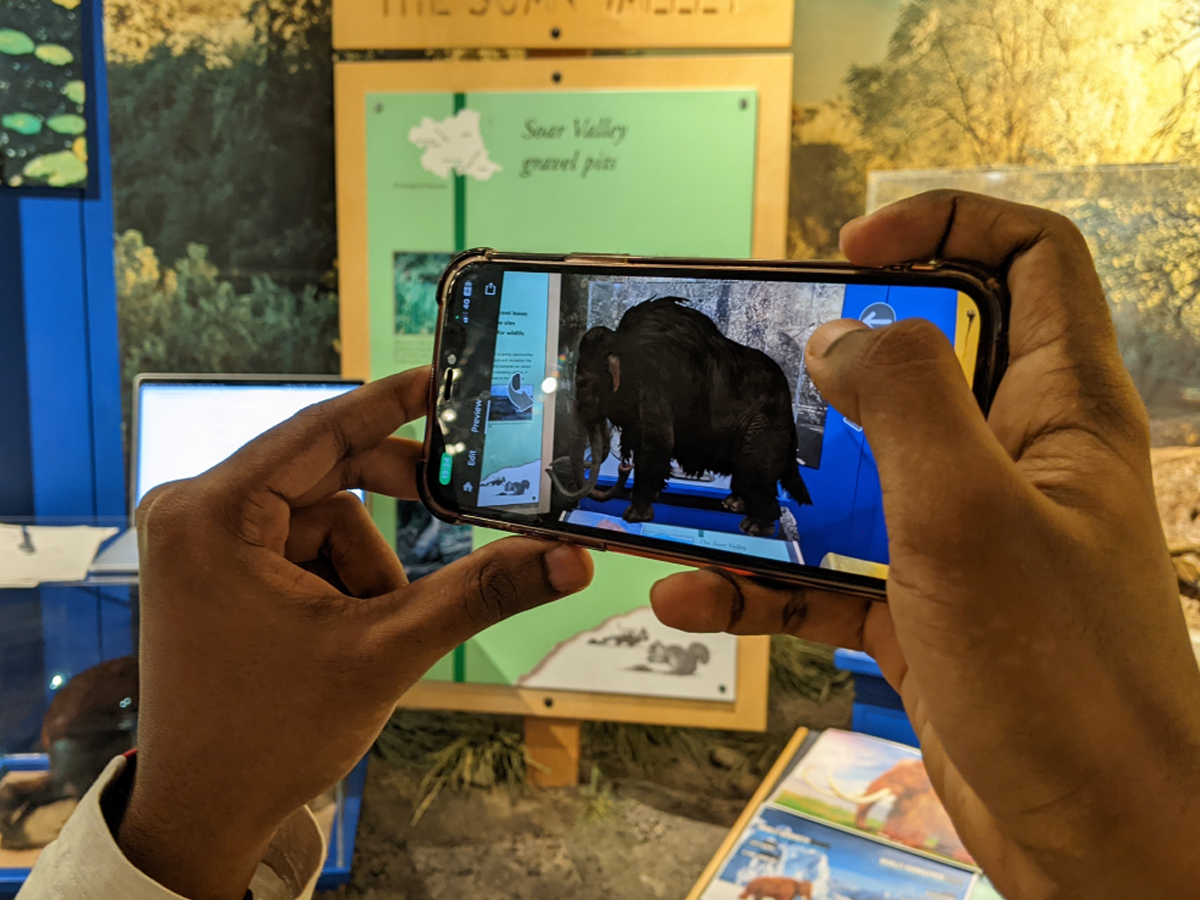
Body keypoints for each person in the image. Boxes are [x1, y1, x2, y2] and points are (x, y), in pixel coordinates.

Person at [16, 191, 1200, 900]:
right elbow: (640, 439)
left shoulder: (668, 372)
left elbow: (665, 436)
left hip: (735, 420)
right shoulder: (634, 373)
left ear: (611, 374)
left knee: (746, 479)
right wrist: (1123, 832)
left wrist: (174, 831)